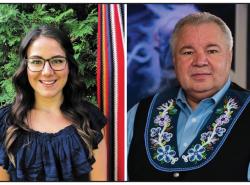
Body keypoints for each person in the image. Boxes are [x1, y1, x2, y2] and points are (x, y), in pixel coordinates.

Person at [127, 12, 250, 181]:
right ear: (174, 59)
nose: (200, 61)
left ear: (229, 56)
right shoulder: (139, 113)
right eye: (187, 52)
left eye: (212, 50)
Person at [0, 25, 107, 181]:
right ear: (25, 67)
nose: (47, 71)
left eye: (57, 60)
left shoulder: (90, 121)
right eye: (37, 62)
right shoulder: (5, 124)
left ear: (69, 65)